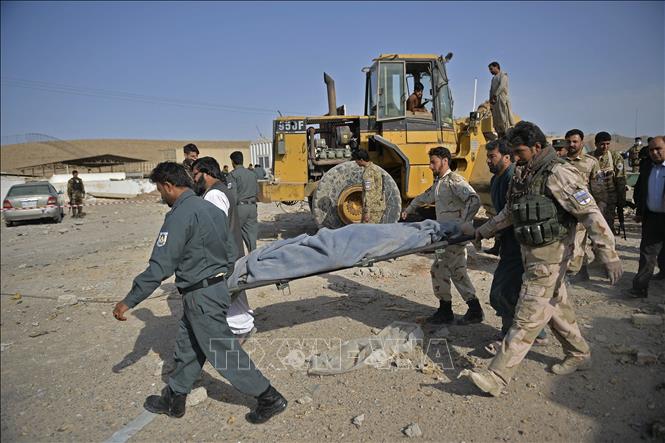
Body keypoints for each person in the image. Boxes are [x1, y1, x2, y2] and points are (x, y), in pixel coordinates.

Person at [112, 162, 286, 423]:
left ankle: (269, 397)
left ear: (168, 186)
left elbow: (160, 266)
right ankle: (175, 398)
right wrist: (219, 280)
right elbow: (231, 250)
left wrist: (129, 301)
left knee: (222, 351)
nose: (161, 196)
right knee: (188, 346)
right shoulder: (210, 208)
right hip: (213, 290)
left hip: (201, 295)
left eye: (160, 190)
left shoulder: (179, 215)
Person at [462, 121, 622, 397]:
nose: (515, 157)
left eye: (519, 151)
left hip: (552, 256)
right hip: (531, 255)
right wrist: (482, 231)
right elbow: (510, 212)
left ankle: (497, 376)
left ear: (536, 147)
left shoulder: (559, 173)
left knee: (526, 316)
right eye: (513, 152)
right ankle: (579, 353)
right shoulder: (524, 173)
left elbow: (589, 212)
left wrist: (609, 254)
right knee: (556, 308)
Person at [401, 147, 483, 325]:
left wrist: (464, 223)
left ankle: (470, 309)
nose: (430, 166)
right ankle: (449, 310)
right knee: (442, 269)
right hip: (444, 237)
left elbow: (474, 200)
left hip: (454, 237)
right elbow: (425, 196)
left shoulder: (455, 181)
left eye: (433, 162)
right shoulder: (440, 183)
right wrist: (409, 209)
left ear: (445, 161)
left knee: (453, 270)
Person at [484, 139, 548, 349]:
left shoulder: (514, 177)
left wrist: (486, 230)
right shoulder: (496, 179)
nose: (488, 161)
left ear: (506, 157)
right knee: (511, 289)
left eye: (492, 156)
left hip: (520, 243)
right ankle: (528, 333)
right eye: (487, 157)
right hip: (508, 242)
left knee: (505, 290)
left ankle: (516, 335)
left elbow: (512, 213)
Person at [192, 157, 256, 341]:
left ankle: (240, 330)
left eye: (195, 175)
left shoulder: (213, 195)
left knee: (226, 292)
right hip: (230, 252)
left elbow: (216, 229)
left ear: (206, 173)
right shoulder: (221, 189)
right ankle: (244, 325)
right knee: (234, 292)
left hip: (223, 255)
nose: (194, 179)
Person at [563, 129, 607, 282]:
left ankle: (573, 273)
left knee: (577, 244)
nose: (571, 144)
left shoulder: (591, 162)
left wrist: (599, 209)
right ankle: (580, 271)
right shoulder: (559, 162)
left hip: (582, 211)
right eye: (568, 142)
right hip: (564, 211)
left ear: (581, 143)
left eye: (575, 141)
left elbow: (599, 188)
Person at [628, 136, 665, 297]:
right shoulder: (646, 166)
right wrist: (639, 211)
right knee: (647, 253)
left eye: (658, 149)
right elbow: (639, 190)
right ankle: (640, 288)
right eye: (651, 150)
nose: (654, 153)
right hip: (651, 217)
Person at [591, 132, 626, 233]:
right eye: (602, 144)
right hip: (593, 200)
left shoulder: (615, 157)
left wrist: (621, 199)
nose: (605, 147)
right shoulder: (589, 158)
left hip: (609, 199)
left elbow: (620, 179)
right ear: (596, 144)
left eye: (607, 144)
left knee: (607, 228)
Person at [230, 151, 259, 252]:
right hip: (252, 207)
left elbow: (233, 195)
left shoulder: (233, 175)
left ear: (233, 162)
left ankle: (237, 258)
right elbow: (257, 192)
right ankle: (254, 256)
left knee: (233, 235)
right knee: (252, 237)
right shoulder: (252, 174)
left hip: (240, 208)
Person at [352, 149, 386, 224]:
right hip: (377, 206)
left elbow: (369, 192)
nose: (356, 162)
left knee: (368, 230)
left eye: (356, 160)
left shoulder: (368, 173)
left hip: (372, 209)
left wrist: (367, 212)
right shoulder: (375, 168)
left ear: (361, 160)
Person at [488, 61, 514, 138]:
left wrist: (495, 95)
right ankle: (500, 137)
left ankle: (507, 136)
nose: (490, 71)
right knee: (497, 121)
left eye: (491, 69)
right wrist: (490, 100)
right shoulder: (493, 79)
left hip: (502, 99)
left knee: (504, 119)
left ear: (496, 67)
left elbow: (502, 86)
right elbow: (491, 90)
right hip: (495, 102)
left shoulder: (503, 75)